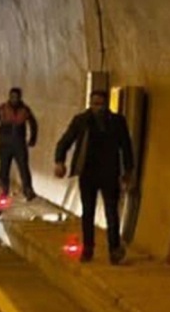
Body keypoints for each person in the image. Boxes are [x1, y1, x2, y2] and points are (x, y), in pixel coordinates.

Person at [54, 90, 134, 265]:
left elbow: (126, 146)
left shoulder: (117, 122)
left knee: (112, 212)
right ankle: (88, 248)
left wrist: (128, 170)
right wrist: (59, 160)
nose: (97, 108)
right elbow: (66, 141)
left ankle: (114, 249)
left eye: (100, 104)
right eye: (94, 104)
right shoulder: (81, 121)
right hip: (88, 172)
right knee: (88, 212)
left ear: (106, 104)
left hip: (109, 172)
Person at [0, 87, 38, 200]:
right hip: (5, 145)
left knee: (23, 167)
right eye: (12, 96)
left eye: (16, 97)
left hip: (19, 145)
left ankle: (27, 190)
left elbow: (33, 124)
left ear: (20, 97)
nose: (14, 99)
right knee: (4, 168)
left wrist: (32, 139)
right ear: (9, 96)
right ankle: (4, 191)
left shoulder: (25, 110)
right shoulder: (2, 109)